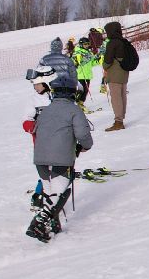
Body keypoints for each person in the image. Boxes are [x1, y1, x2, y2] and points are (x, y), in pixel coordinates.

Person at [24, 62, 92, 242]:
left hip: (40, 156)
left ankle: (52, 224)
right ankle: (38, 223)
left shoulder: (46, 110)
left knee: (49, 191)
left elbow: (36, 128)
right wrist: (83, 146)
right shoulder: (73, 109)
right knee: (61, 192)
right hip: (60, 158)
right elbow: (84, 134)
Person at [100, 20, 135, 130]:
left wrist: (104, 67)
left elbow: (108, 61)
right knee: (122, 96)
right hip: (124, 72)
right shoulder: (124, 41)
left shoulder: (112, 42)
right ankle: (121, 119)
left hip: (115, 73)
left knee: (116, 98)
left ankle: (118, 122)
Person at [73, 27, 102, 104]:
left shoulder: (89, 52)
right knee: (81, 91)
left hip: (87, 74)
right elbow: (74, 60)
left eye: (88, 44)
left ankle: (81, 104)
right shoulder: (78, 51)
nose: (87, 45)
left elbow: (92, 63)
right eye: (85, 44)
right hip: (80, 75)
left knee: (86, 90)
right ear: (81, 44)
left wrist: (99, 61)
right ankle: (75, 104)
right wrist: (76, 60)